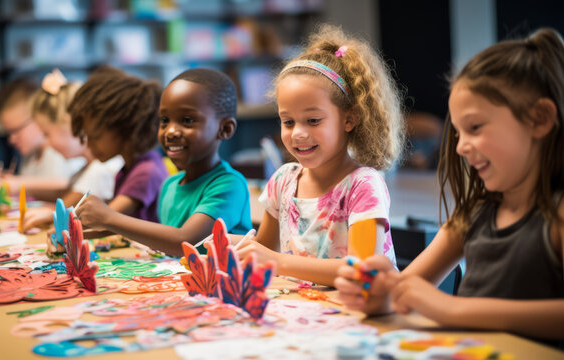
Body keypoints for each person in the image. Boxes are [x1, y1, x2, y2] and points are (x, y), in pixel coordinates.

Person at [335, 28, 564, 342]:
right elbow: (403, 291)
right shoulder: (473, 215)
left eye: (475, 127)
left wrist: (454, 309)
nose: (460, 147)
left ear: (539, 119)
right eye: (458, 132)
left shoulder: (557, 217)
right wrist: (378, 291)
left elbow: (443, 307)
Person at [236, 25, 404, 287]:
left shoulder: (362, 186)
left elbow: (362, 270)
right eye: (288, 122)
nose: (298, 134)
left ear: (349, 119)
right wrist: (230, 247)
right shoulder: (282, 181)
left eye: (313, 120)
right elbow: (262, 251)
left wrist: (276, 261)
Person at [75, 68, 252, 256]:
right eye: (165, 120)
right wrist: (74, 233)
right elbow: (163, 241)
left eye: (187, 120)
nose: (170, 131)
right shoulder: (169, 185)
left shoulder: (230, 186)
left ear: (224, 129)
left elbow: (184, 242)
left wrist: (107, 217)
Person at [22, 69, 123, 232]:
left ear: (69, 124)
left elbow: (63, 210)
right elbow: (64, 195)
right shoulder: (86, 168)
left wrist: (48, 214)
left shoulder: (102, 169)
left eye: (47, 134)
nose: (46, 143)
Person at [0, 77, 82, 195]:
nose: (11, 139)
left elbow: (66, 183)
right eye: (9, 132)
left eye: (17, 130)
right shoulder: (29, 156)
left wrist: (18, 183)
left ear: (36, 118)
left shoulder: (58, 150)